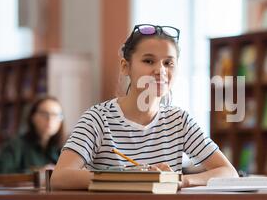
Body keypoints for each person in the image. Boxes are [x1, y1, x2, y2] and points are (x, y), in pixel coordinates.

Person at [51, 24, 238, 190]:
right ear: (125, 67)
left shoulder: (179, 121)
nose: (160, 70)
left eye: (168, 63)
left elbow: (228, 172)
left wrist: (180, 180)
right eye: (148, 61)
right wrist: (134, 178)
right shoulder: (98, 118)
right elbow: (60, 177)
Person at [0, 96, 64, 174]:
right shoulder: (16, 145)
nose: (50, 119)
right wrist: (37, 173)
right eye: (45, 114)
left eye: (55, 115)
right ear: (33, 117)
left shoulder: (63, 148)